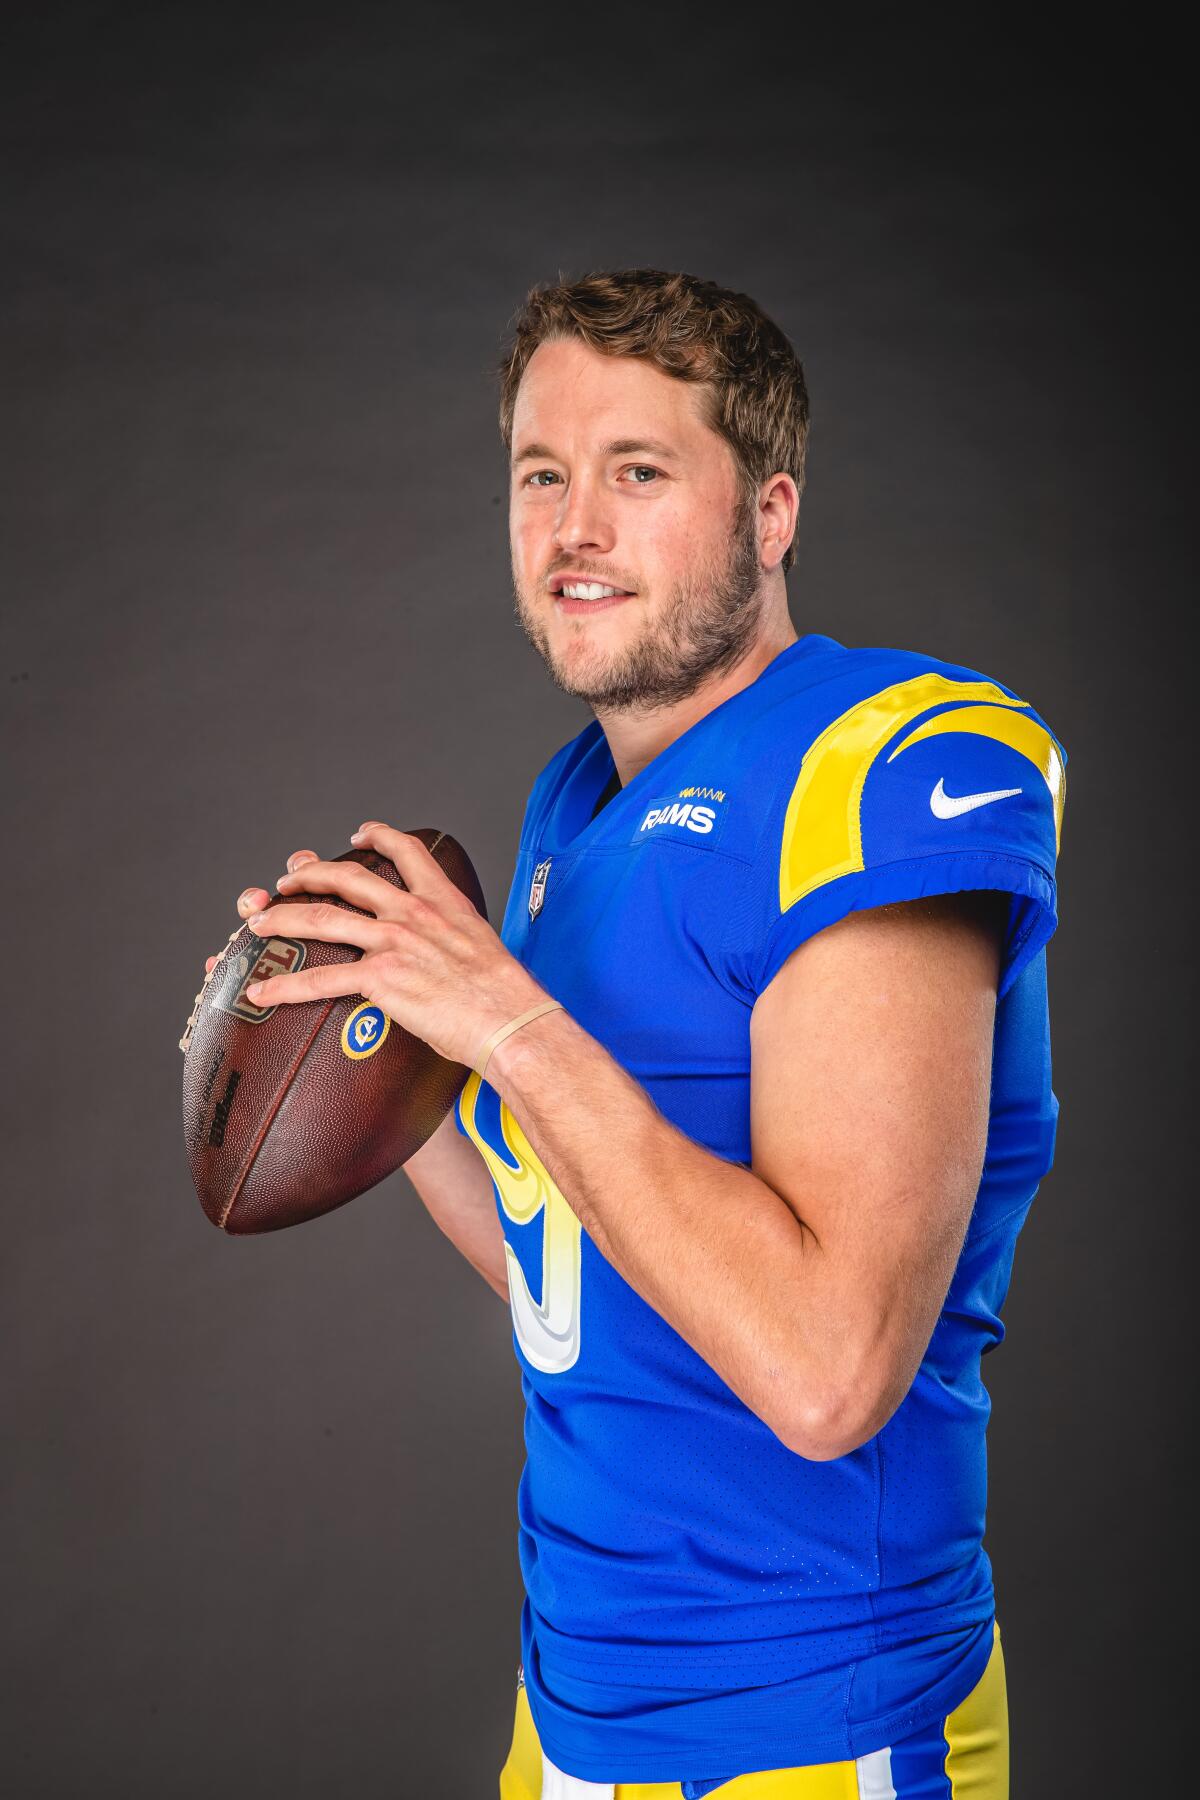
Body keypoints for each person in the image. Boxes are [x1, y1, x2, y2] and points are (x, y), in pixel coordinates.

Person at [220, 270, 1066, 1798]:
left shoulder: (896, 766)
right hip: (572, 1708)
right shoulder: (572, 803)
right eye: (542, 475)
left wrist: (506, 1021)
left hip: (814, 1724)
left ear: (773, 511)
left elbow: (825, 1372)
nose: (574, 528)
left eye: (640, 472)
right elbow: (580, 1264)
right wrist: (381, 1041)